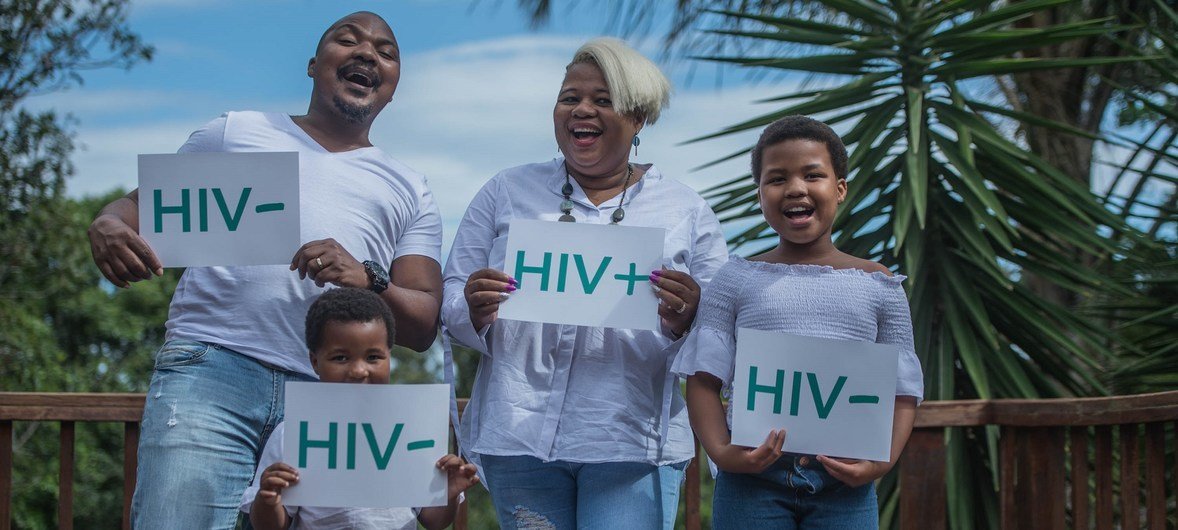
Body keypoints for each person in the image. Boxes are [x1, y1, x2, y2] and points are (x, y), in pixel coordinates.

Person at [85, 12, 444, 528]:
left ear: (392, 87)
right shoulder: (235, 131)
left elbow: (424, 320)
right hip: (212, 370)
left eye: (386, 52)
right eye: (348, 40)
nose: (367, 53)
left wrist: (368, 278)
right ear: (313, 65)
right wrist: (107, 223)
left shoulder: (410, 186)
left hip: (331, 395)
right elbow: (132, 211)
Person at [441, 37, 729, 529]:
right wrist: (473, 307)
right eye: (570, 96)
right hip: (519, 435)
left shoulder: (686, 209)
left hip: (630, 442)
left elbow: (723, 330)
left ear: (638, 119)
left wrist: (689, 317)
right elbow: (448, 299)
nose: (582, 109)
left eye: (603, 99)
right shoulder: (506, 190)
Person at [671, 115, 925, 528]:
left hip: (845, 484)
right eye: (776, 178)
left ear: (839, 189)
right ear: (759, 194)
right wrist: (721, 451)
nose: (795, 188)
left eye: (813, 175)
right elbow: (703, 378)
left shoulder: (879, 285)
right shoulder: (735, 279)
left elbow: (903, 390)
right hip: (751, 480)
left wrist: (880, 463)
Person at [241, 288, 477, 530]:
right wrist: (268, 498)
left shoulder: (412, 432)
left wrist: (448, 493)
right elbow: (271, 526)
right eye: (341, 358)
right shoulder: (293, 433)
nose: (358, 371)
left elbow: (433, 520)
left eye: (373, 357)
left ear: (389, 357)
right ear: (315, 362)